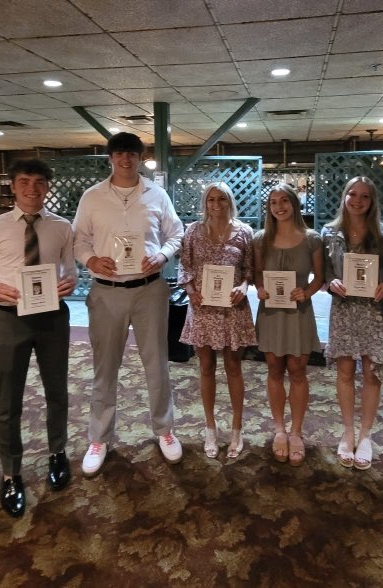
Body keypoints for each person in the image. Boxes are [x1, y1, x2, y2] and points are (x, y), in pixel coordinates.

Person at [73, 132, 184, 477]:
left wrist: (163, 255)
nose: (125, 159)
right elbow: (79, 240)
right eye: (119, 154)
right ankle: (99, 436)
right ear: (111, 158)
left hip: (150, 289)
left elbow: (176, 233)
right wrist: (91, 261)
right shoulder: (92, 197)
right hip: (106, 291)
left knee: (156, 364)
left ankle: (164, 429)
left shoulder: (157, 194)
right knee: (105, 367)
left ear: (140, 157)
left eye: (132, 154)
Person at [0, 158, 76, 517]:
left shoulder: (62, 227)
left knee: (57, 391)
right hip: (9, 319)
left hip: (51, 317)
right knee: (8, 398)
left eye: (39, 183)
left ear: (47, 187)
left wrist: (70, 282)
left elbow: (70, 269)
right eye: (24, 182)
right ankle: (12, 473)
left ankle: (57, 453)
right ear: (14, 187)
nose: (32, 189)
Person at [321, 176, 383, 471]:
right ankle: (348, 431)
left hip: (373, 310)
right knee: (344, 371)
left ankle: (365, 435)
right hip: (343, 309)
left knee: (371, 373)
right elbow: (325, 273)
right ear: (344, 197)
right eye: (352, 194)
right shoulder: (329, 233)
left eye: (364, 196)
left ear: (372, 201)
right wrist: (332, 282)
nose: (357, 200)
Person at [178, 182, 256, 460]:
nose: (216, 204)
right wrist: (191, 291)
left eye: (222, 199)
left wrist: (245, 287)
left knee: (233, 367)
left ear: (229, 201)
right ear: (205, 202)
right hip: (202, 309)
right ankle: (210, 427)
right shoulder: (193, 231)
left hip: (232, 310)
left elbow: (249, 270)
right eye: (211, 199)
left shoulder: (245, 232)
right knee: (206, 367)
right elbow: (184, 266)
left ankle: (237, 428)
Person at [254, 183, 323, 466]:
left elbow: (320, 277)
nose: (279, 207)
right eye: (273, 202)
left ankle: (296, 432)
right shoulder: (260, 239)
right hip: (271, 312)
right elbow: (257, 275)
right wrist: (259, 288)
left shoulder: (312, 238)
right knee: (274, 369)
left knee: (297, 370)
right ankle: (279, 429)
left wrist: (306, 292)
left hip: (298, 313)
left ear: (295, 204)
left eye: (284, 201)